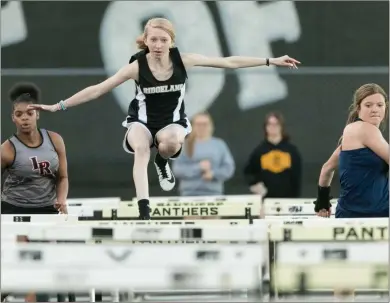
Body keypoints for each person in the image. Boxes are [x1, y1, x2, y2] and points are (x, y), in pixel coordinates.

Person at [27, 17, 300, 220]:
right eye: (153, 40)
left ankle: (163, 159)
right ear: (145, 40)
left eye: (163, 40)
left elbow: (229, 62)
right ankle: (144, 208)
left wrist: (270, 60)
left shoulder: (186, 60)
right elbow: (98, 90)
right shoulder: (136, 67)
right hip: (141, 122)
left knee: (168, 143)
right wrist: (58, 106)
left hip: (172, 124)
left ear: (172, 42)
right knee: (141, 148)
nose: (158, 45)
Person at [315, 83, 389, 218]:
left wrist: (322, 202)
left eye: (380, 105)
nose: (375, 109)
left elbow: (327, 168)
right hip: (373, 216)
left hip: (352, 215)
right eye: (368, 105)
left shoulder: (351, 134)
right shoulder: (364, 129)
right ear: (358, 108)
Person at [1, 83, 69, 215]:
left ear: (37, 114)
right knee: (21, 236)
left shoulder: (55, 140)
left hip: (48, 207)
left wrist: (61, 200)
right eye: (19, 114)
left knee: (50, 236)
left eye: (29, 113)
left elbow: (63, 177)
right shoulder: (7, 149)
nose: (25, 118)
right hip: (14, 208)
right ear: (13, 118)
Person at [172, 111, 235, 196]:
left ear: (211, 126)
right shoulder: (184, 145)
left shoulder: (219, 145)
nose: (201, 127)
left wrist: (213, 174)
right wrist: (198, 167)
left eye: (205, 124)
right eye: (198, 124)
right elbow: (177, 169)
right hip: (189, 194)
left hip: (214, 194)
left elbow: (229, 168)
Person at [243, 111, 302, 198]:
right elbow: (248, 173)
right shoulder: (259, 151)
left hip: (287, 200)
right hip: (266, 201)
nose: (272, 127)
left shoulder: (291, 151)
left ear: (281, 126)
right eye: (269, 124)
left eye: (276, 124)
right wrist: (255, 185)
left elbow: (297, 178)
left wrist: (295, 200)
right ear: (265, 127)